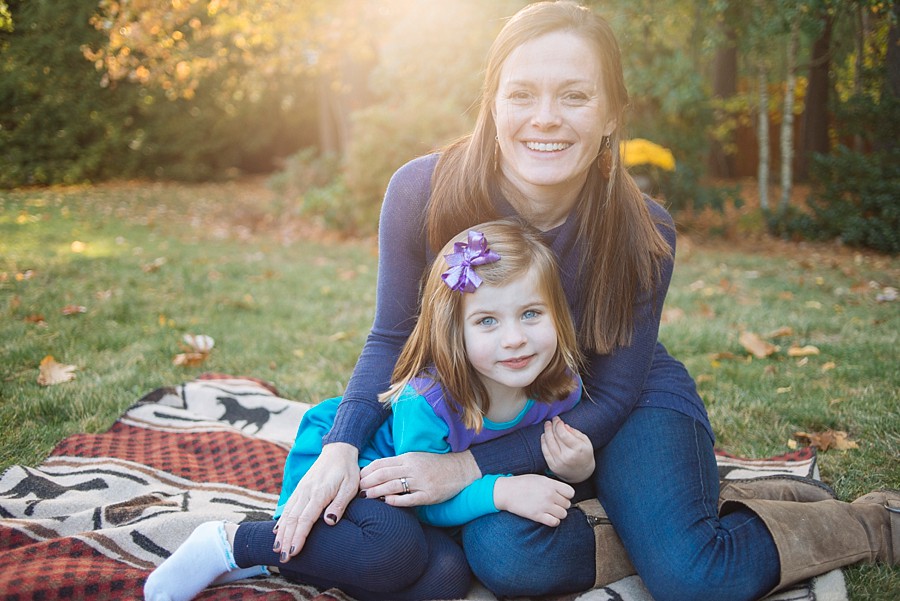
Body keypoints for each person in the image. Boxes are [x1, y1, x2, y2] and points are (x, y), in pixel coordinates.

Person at [274, 2, 899, 601]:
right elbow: (392, 338)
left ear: (610, 114)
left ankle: (867, 524)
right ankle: (657, 520)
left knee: (693, 578)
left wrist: (468, 470)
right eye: (522, 93)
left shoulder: (643, 229)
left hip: (613, 403)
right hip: (497, 411)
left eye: (574, 95)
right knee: (507, 556)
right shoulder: (421, 191)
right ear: (492, 103)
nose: (545, 117)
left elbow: (617, 393)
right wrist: (342, 445)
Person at [144, 220, 603, 601]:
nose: (515, 339)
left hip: (410, 511)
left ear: (558, 316)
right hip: (357, 483)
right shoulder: (429, 402)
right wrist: (499, 493)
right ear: (454, 333)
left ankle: (305, 564)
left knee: (445, 580)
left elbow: (541, 468)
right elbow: (421, 498)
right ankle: (237, 544)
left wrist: (578, 467)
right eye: (487, 321)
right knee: (395, 550)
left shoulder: (561, 387)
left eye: (531, 314)